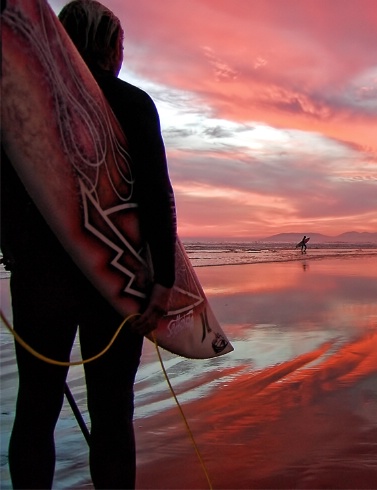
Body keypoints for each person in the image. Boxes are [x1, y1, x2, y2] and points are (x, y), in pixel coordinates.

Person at [1, 0, 177, 487]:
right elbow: (155, 195)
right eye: (121, 45)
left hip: (40, 282)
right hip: (116, 280)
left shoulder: (22, 102)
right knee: (112, 412)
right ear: (109, 46)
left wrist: (11, 246)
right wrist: (163, 281)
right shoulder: (133, 102)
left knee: (36, 408)